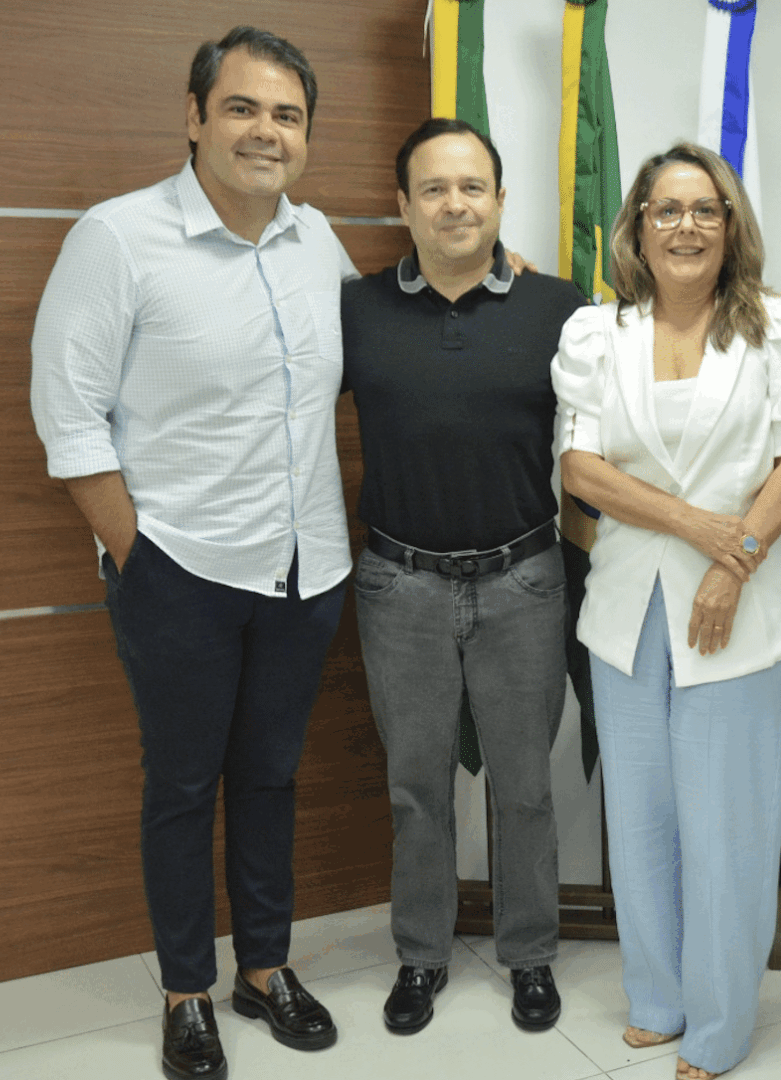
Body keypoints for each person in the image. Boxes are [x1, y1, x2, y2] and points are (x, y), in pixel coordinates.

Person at [30, 26, 351, 1080]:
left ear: (306, 135)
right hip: (181, 573)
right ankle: (184, 992)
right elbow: (69, 419)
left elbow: (380, 353)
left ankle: (264, 971)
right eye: (244, 108)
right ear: (195, 116)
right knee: (181, 785)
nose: (267, 131)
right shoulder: (118, 239)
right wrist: (142, 560)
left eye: (287, 115)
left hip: (305, 571)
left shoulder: (318, 244)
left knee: (269, 777)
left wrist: (500, 274)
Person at [554, 142, 781, 1080]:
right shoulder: (598, 333)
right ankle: (658, 996)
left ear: (731, 224)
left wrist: (736, 559)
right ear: (637, 225)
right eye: (665, 210)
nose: (685, 226)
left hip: (741, 613)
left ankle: (719, 1025)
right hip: (626, 612)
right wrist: (698, 529)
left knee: (731, 827)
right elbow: (581, 470)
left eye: (704, 209)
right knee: (639, 819)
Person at [340, 117, 584, 1037]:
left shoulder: (559, 307)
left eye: (472, 187)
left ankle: (530, 956)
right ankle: (422, 955)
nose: (455, 204)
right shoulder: (355, 309)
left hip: (524, 577)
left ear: (499, 200)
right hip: (398, 585)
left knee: (525, 784)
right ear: (403, 205)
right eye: (433, 189)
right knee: (416, 785)